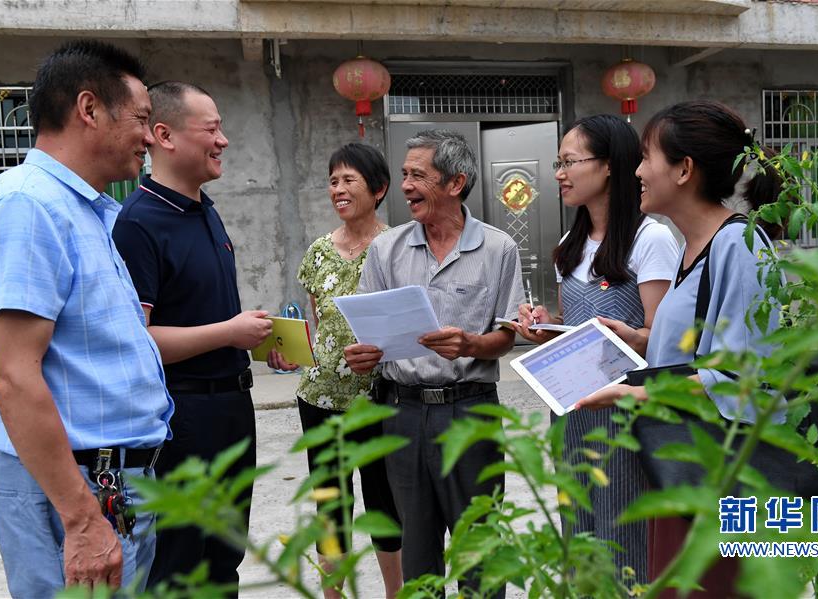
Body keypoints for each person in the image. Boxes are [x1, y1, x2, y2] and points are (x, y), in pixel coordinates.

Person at [573, 100, 782, 597]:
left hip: (726, 479)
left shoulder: (740, 247)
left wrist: (632, 396)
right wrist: (640, 339)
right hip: (685, 466)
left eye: (647, 157)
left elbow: (742, 378)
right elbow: (704, 349)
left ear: (684, 169)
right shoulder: (696, 246)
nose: (638, 171)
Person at [0, 40, 173, 597]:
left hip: (111, 483)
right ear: (89, 110)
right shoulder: (29, 205)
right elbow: (13, 374)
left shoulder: (85, 209)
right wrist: (82, 519)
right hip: (77, 489)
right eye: (142, 119)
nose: (149, 137)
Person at [343, 129, 524, 596]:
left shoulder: (498, 248)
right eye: (404, 174)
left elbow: (506, 335)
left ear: (455, 183)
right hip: (403, 412)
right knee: (417, 548)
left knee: (479, 545)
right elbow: (369, 331)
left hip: (471, 409)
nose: (404, 186)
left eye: (418, 175)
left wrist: (471, 346)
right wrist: (363, 355)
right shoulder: (386, 250)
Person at [112, 81, 271, 593]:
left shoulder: (205, 209)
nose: (223, 140)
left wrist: (258, 341)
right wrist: (229, 332)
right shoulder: (138, 223)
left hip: (231, 408)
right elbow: (139, 339)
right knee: (182, 565)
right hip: (182, 417)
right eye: (212, 129)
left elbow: (204, 313)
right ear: (164, 135)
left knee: (225, 558)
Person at [515, 115, 679, 582]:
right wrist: (546, 326)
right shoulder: (570, 244)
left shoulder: (652, 240)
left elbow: (661, 341)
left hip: (623, 416)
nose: (560, 173)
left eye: (570, 162)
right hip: (569, 407)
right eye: (558, 162)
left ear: (609, 167)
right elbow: (573, 326)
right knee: (577, 534)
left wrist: (626, 337)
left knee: (622, 536)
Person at [267, 143, 402, 598]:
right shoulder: (318, 252)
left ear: (378, 189)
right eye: (332, 181)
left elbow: (406, 329)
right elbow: (321, 329)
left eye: (349, 180)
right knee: (331, 505)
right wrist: (292, 353)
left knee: (385, 502)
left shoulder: (397, 248)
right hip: (319, 399)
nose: (338, 190)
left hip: (379, 398)